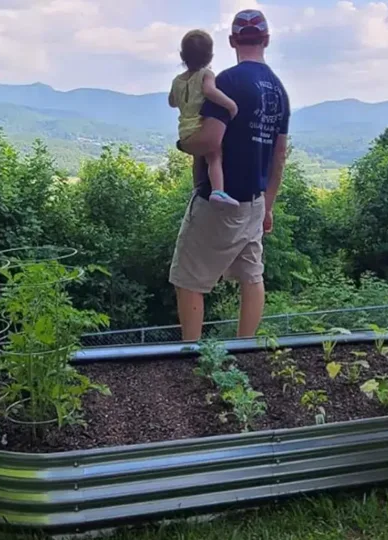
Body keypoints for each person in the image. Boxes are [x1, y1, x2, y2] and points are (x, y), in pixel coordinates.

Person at [168, 9, 290, 341]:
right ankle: (245, 348)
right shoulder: (279, 91)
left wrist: (182, 144)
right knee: (252, 276)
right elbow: (279, 155)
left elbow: (209, 140)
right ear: (265, 40)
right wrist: (267, 206)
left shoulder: (228, 82)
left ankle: (192, 354)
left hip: (218, 202)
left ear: (233, 41)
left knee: (189, 279)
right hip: (254, 201)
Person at [169, 29, 240, 207]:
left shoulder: (177, 81)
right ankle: (218, 191)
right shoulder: (206, 75)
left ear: (182, 56)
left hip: (185, 131)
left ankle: (198, 188)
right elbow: (209, 91)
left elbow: (171, 102)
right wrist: (231, 105)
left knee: (197, 157)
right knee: (214, 155)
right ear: (210, 56)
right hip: (200, 127)